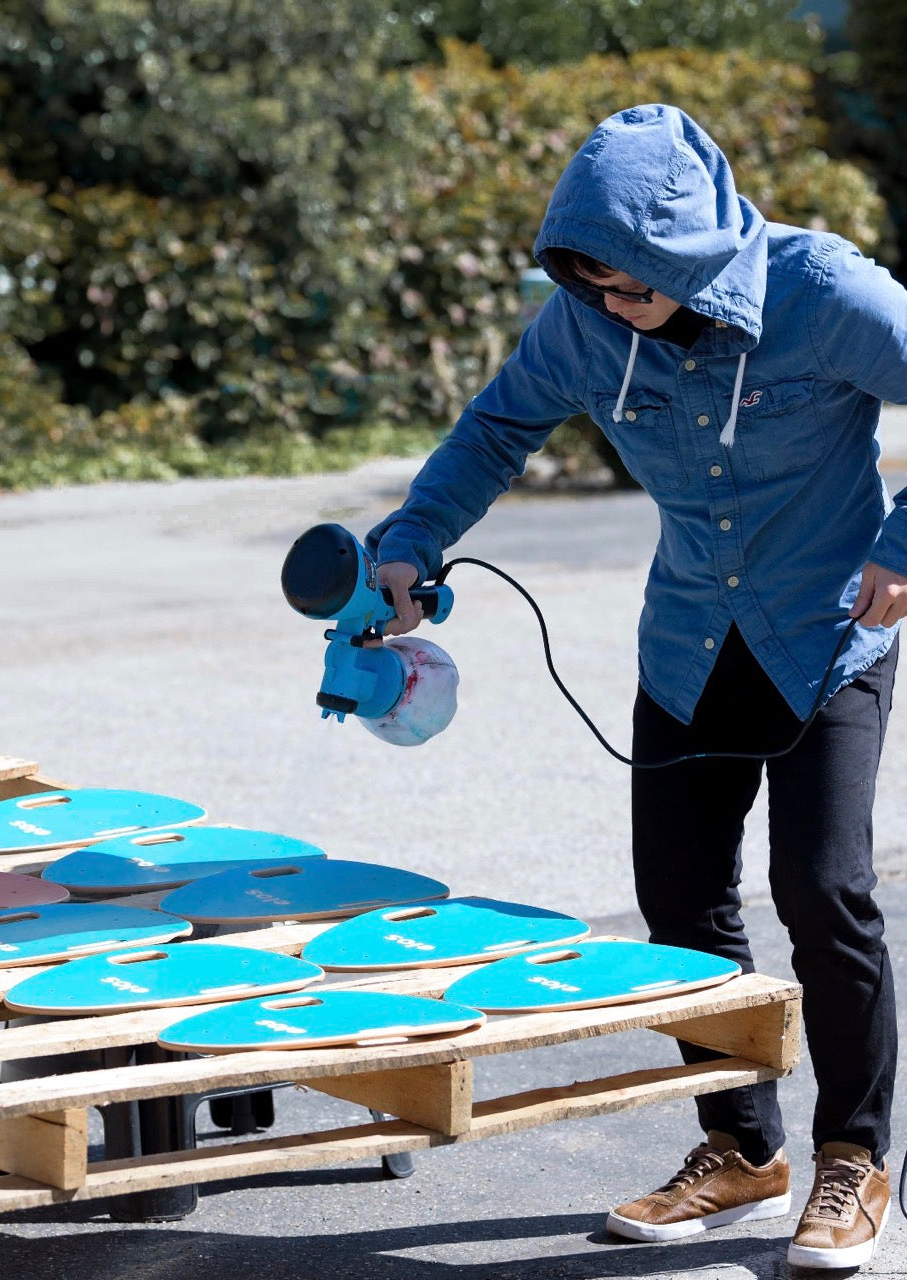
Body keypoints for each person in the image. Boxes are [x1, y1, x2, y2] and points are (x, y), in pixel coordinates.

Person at [365, 103, 907, 1270]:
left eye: (625, 284)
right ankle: (740, 1149)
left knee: (821, 891)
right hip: (686, 643)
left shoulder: (825, 296)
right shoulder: (582, 323)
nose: (607, 307)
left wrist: (902, 547)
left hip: (823, 637)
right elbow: (495, 428)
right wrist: (412, 540)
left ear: (684, 247)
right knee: (681, 906)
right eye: (589, 285)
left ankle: (854, 1162)